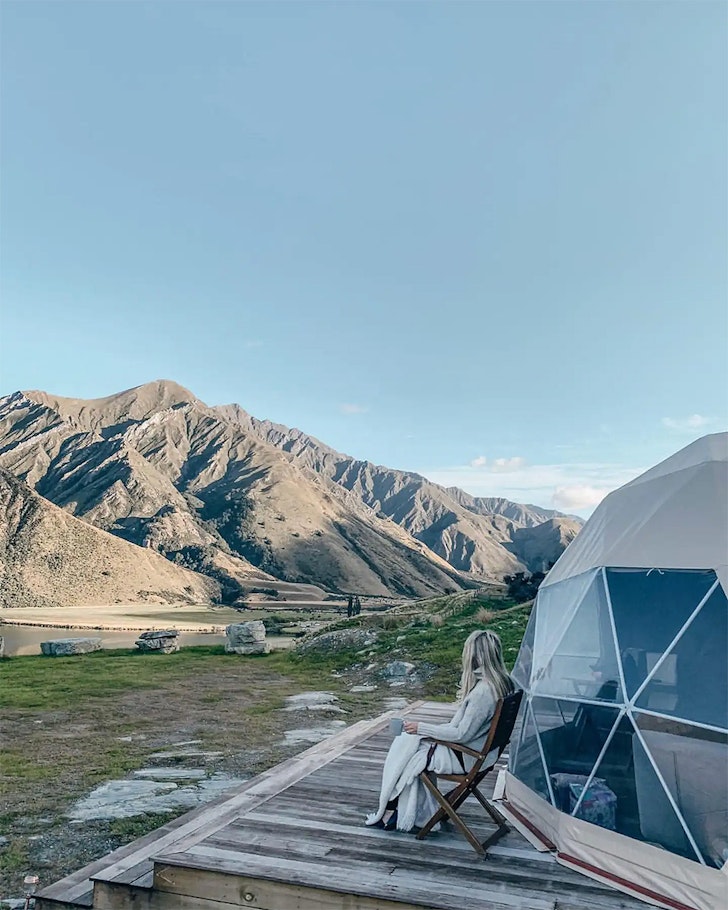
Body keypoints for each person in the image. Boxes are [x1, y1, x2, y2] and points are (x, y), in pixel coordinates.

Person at [365, 629, 515, 832]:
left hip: (467, 757)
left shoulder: (483, 692)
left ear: (476, 656)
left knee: (409, 755)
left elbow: (461, 734)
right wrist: (424, 731)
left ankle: (399, 811)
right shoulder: (504, 683)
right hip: (482, 755)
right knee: (410, 746)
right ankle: (398, 811)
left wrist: (421, 728)